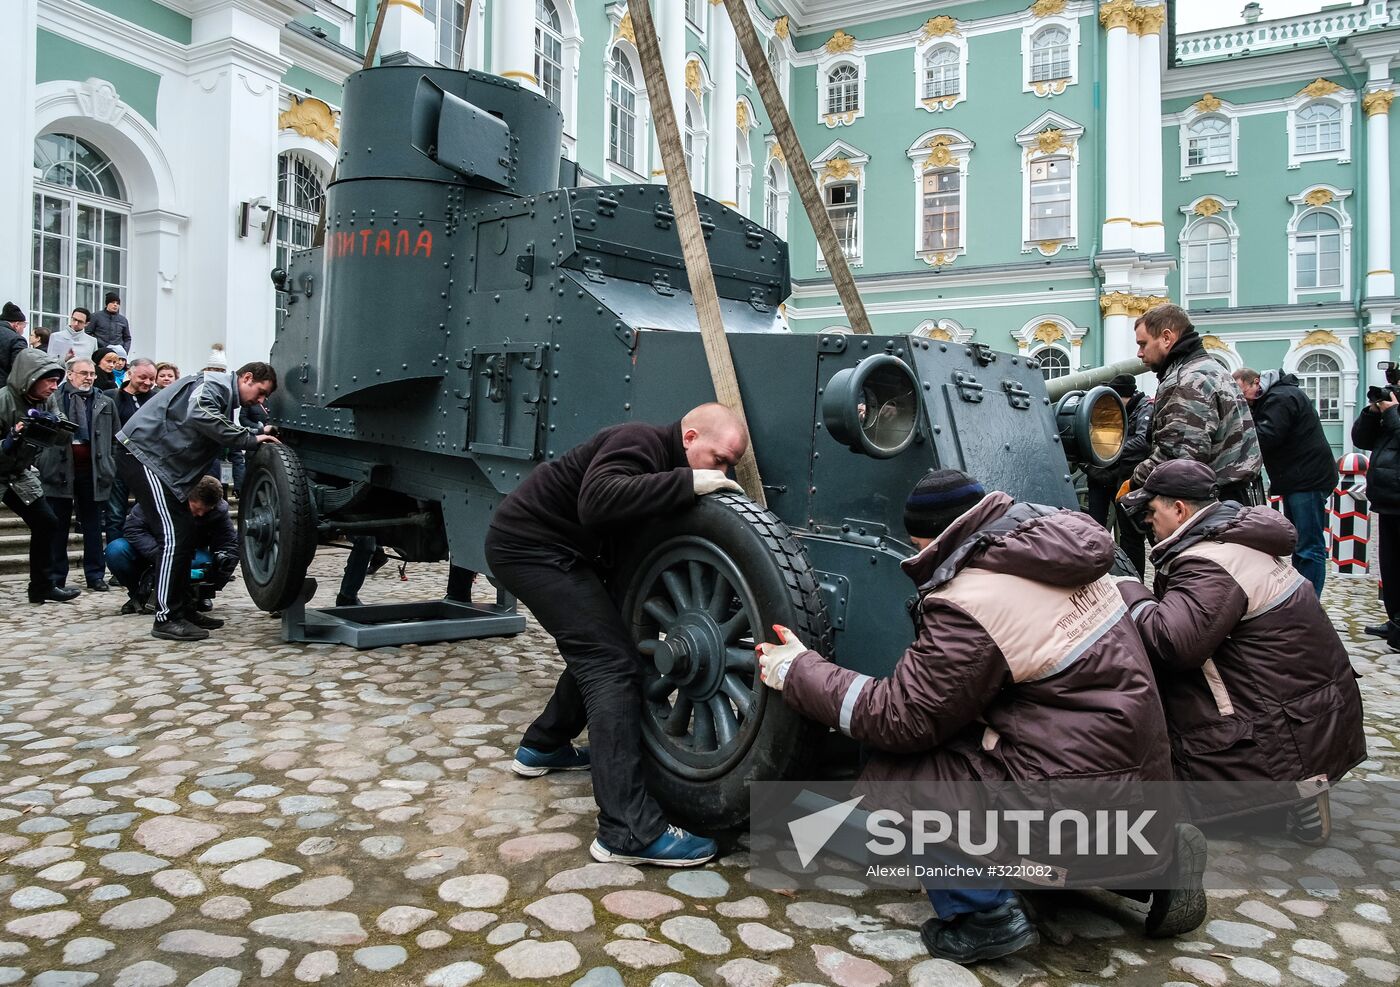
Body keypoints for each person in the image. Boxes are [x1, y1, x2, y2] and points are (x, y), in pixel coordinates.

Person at [757, 468, 1206, 962]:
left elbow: (899, 717)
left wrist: (799, 670)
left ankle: (983, 915)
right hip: (1140, 776)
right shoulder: (1061, 547)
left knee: (898, 771)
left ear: (931, 537)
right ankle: (1157, 864)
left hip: (1071, 792)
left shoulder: (973, 599)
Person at [487, 403, 748, 867]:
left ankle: (543, 744)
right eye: (719, 460)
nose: (724, 472)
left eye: (731, 465)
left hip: (561, 550)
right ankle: (626, 831)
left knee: (603, 644)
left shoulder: (664, 455)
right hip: (530, 547)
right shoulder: (639, 440)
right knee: (610, 664)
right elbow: (598, 500)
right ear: (689, 439)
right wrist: (690, 482)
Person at [1117, 460, 1366, 844]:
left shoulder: (1210, 562)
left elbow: (1172, 645)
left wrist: (1130, 589)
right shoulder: (1235, 539)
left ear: (1179, 508)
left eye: (1152, 510)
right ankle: (1292, 786)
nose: (1147, 521)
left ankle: (1294, 788)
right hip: (1317, 714)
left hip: (1288, 729)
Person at [116, 361, 281, 641]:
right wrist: (250, 438)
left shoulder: (221, 394)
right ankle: (166, 617)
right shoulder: (214, 384)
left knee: (185, 535)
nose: (260, 401)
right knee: (173, 537)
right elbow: (201, 414)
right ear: (247, 377)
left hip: (161, 464)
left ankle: (184, 609)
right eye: (261, 392)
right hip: (145, 456)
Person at [1129, 304, 1262, 505]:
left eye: (1143, 344)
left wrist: (1133, 483)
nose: (1140, 353)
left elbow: (1178, 460)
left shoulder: (1188, 380)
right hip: (1231, 496)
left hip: (1211, 502)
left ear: (1166, 338)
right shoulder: (1212, 369)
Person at [1232, 367, 1338, 598]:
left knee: (1308, 547)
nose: (1242, 400)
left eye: (1242, 392)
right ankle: (1303, 598)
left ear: (1256, 382)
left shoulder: (1280, 398)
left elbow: (1267, 436)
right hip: (1300, 478)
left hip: (1306, 479)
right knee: (1302, 543)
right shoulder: (1279, 396)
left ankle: (1309, 602)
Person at [0, 348, 80, 604]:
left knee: (46, 521)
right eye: (49, 381)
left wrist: (53, 425)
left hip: (18, 471)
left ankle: (43, 586)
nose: (54, 387)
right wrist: (10, 438)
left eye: (57, 381)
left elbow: (65, 434)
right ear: (31, 378)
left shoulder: (47, 400)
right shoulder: (3, 401)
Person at [107, 476, 239, 616]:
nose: (201, 514)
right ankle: (139, 594)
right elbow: (133, 529)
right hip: (154, 550)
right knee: (116, 551)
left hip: (190, 555)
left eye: (206, 510)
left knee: (204, 563)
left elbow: (230, 547)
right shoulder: (158, 497)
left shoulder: (218, 511)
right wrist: (164, 558)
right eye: (197, 508)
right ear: (187, 498)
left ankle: (195, 595)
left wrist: (213, 585)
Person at [38, 359, 117, 593]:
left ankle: (95, 575)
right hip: (58, 470)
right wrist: (41, 461)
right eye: (84, 373)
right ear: (70, 375)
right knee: (57, 525)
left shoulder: (105, 401)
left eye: (92, 374)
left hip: (93, 471)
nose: (89, 378)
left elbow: (114, 438)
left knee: (93, 527)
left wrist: (110, 465)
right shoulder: (52, 400)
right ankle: (56, 577)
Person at [1083, 373, 1152, 574]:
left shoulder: (1144, 408)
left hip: (1126, 477)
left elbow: (1141, 442)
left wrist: (1110, 450)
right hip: (1102, 475)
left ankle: (1134, 578)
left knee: (1131, 534)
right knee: (1095, 527)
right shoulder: (1109, 406)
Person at [1352, 385, 1400, 645]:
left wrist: (1393, 414)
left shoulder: (1395, 417)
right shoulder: (1390, 416)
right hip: (1387, 499)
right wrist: (1372, 413)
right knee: (1391, 569)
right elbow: (1362, 440)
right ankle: (1395, 621)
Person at [106, 358, 157, 542]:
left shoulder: (158, 398)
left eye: (152, 378)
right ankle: (114, 555)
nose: (148, 382)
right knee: (115, 514)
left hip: (148, 463)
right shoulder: (112, 396)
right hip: (119, 462)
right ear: (130, 373)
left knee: (146, 512)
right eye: (143, 377)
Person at [0, 303, 30, 389]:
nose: (23, 331)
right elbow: (20, 370)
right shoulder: (17, 340)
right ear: (16, 325)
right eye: (23, 326)